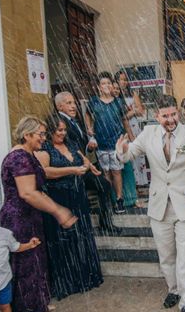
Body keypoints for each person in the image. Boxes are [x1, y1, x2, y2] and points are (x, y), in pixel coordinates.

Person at [116, 95, 185, 312]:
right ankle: (174, 289)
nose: (170, 119)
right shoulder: (148, 134)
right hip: (159, 206)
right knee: (167, 256)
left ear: (177, 113)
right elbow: (128, 155)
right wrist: (121, 151)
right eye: (165, 115)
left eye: (173, 114)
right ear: (156, 115)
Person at [0, 116, 77, 312]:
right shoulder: (18, 158)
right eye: (40, 134)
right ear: (27, 135)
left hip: (30, 215)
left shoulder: (28, 154)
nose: (44, 138)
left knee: (38, 258)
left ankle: (39, 301)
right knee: (26, 261)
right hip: (19, 216)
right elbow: (28, 193)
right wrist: (58, 211)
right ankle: (28, 310)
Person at [36, 116, 103, 300]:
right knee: (63, 238)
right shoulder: (44, 149)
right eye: (59, 130)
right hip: (58, 197)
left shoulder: (71, 144)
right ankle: (67, 281)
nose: (63, 133)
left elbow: (85, 161)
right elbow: (45, 172)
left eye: (64, 130)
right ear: (50, 131)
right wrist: (72, 171)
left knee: (81, 235)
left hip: (77, 196)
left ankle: (85, 276)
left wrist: (89, 168)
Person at [53, 91, 121, 236]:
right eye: (69, 103)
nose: (73, 106)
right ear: (59, 106)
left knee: (105, 185)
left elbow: (78, 143)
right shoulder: (60, 123)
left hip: (83, 165)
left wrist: (88, 144)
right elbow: (69, 147)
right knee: (104, 185)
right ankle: (99, 224)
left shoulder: (74, 121)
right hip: (72, 170)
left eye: (73, 103)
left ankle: (105, 223)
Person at [86, 73, 134, 214]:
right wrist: (89, 128)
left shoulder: (119, 102)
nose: (106, 86)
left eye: (108, 83)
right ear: (98, 87)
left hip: (116, 142)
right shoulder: (93, 101)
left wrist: (130, 137)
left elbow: (125, 120)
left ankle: (119, 200)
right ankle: (108, 200)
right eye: (103, 84)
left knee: (117, 172)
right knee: (105, 173)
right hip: (101, 142)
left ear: (112, 86)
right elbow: (88, 115)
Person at [117, 71, 148, 186]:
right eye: (121, 79)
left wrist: (130, 113)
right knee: (127, 153)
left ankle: (141, 182)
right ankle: (131, 183)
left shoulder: (133, 93)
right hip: (123, 129)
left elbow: (140, 111)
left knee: (138, 151)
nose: (124, 82)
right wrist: (132, 111)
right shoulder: (116, 96)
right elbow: (121, 117)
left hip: (134, 126)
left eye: (125, 80)